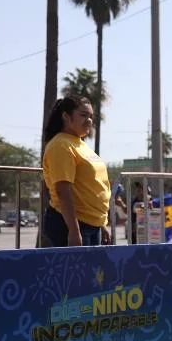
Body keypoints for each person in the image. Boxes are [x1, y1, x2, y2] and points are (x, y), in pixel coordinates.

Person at [41, 96, 112, 247]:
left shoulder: (81, 144)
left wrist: (101, 224)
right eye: (83, 115)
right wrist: (73, 231)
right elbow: (63, 191)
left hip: (92, 226)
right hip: (72, 225)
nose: (89, 120)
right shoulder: (61, 145)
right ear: (66, 117)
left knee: (92, 271)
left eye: (91, 116)